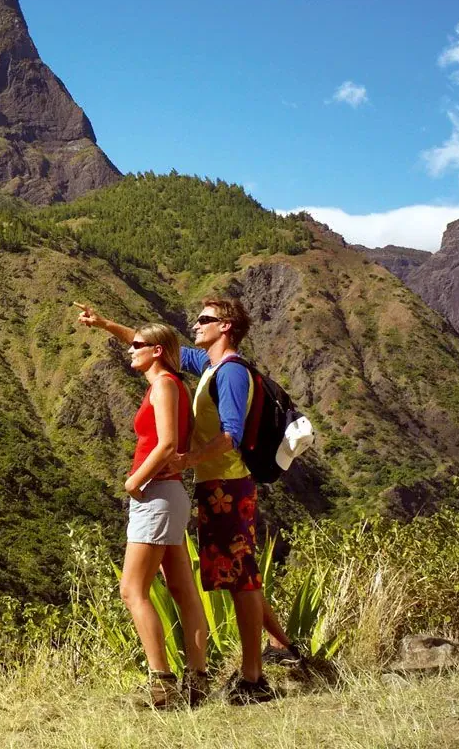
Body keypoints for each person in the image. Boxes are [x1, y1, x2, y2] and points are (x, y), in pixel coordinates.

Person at [77, 298, 294, 705]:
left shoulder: (229, 373)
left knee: (242, 579)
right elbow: (159, 347)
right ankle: (246, 662)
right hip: (209, 486)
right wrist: (107, 323)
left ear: (226, 326)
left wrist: (182, 461)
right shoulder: (206, 367)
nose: (195, 324)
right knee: (212, 582)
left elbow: (229, 433)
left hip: (228, 485)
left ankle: (252, 676)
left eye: (205, 320)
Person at [113, 323, 211, 709]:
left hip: (156, 494)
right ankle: (197, 681)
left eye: (137, 345)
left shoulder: (165, 385)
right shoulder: (167, 383)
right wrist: (105, 324)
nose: (130, 350)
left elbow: (169, 442)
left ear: (157, 350)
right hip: (165, 494)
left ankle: (162, 684)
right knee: (182, 589)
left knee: (131, 589)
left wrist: (135, 480)